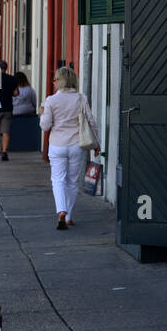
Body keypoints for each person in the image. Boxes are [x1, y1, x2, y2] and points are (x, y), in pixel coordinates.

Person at [39, 66, 100, 230]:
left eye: (55, 79)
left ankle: (61, 210)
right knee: (72, 182)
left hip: (57, 145)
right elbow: (91, 122)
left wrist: (42, 114)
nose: (53, 82)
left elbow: (45, 126)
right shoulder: (81, 98)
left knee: (58, 180)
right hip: (76, 145)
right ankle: (69, 217)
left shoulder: (51, 100)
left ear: (60, 81)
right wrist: (97, 144)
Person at [0, 60, 15, 161]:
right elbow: (16, 92)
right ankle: (4, 151)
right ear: (6, 68)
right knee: (6, 132)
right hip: (7, 108)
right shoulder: (11, 79)